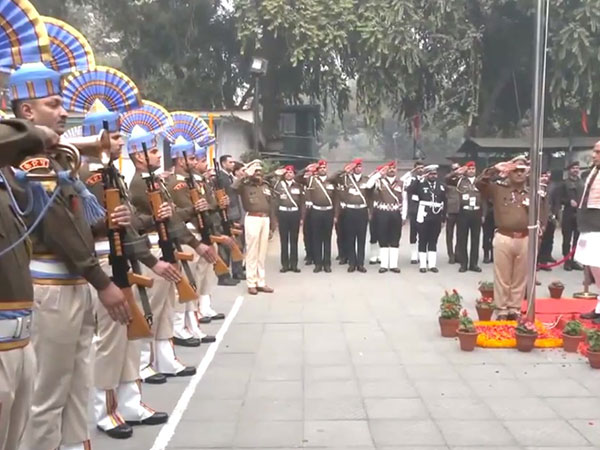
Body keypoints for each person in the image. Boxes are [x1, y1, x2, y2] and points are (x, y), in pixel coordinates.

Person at [10, 62, 131, 450]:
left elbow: (76, 223)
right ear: (27, 112)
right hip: (52, 286)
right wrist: (102, 281)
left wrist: (105, 222)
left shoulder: (59, 159)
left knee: (79, 384)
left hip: (72, 284)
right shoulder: (34, 162)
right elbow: (58, 228)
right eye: (53, 104)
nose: (64, 113)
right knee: (47, 396)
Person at [63, 68, 173, 439]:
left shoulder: (113, 175)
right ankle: (104, 408)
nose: (122, 141)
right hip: (103, 259)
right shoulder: (85, 175)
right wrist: (108, 220)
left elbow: (125, 226)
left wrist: (152, 260)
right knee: (110, 338)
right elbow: (80, 223)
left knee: (130, 333)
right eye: (116, 134)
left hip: (122, 255)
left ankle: (129, 399)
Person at [123, 102, 199, 379]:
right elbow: (143, 219)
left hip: (165, 243)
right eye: (153, 151)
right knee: (151, 308)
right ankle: (143, 363)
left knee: (166, 306)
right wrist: (159, 216)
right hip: (151, 246)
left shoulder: (156, 181)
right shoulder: (139, 184)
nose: (157, 155)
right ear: (138, 155)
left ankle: (165, 359)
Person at [0, 119, 61, 450]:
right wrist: (38, 134)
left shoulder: (7, 180)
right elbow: (16, 137)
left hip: (19, 335)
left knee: (15, 435)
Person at [476, 156, 546, 320]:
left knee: (520, 277)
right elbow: (479, 184)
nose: (519, 174)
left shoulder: (533, 192)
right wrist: (494, 169)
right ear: (509, 172)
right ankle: (502, 309)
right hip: (504, 236)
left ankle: (514, 308)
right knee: (502, 276)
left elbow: (543, 212)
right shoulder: (498, 189)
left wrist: (541, 229)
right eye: (515, 170)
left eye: (522, 171)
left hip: (525, 237)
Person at [232, 160, 275, 294]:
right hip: (252, 218)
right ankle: (251, 283)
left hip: (265, 219)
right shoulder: (245, 186)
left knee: (262, 252)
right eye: (255, 171)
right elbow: (233, 188)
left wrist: (273, 225)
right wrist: (245, 174)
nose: (258, 173)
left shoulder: (266, 186)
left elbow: (271, 206)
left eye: (259, 171)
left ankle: (261, 281)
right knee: (252, 251)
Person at [407, 164, 446, 273]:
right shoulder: (420, 185)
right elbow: (409, 190)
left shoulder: (440, 186)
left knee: (433, 240)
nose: (433, 176)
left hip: (436, 216)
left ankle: (432, 264)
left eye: (435, 174)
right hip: (423, 216)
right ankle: (423, 265)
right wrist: (419, 178)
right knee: (423, 239)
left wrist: (443, 218)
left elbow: (444, 202)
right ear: (427, 175)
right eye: (431, 174)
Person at [577, 142, 600, 324]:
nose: (593, 155)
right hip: (589, 224)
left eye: (598, 152)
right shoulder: (593, 171)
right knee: (594, 268)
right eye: (594, 151)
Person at [365, 162, 403, 273]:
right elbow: (368, 186)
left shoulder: (401, 183)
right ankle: (384, 265)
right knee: (383, 238)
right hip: (382, 212)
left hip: (396, 212)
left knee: (395, 238)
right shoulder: (379, 181)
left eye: (393, 168)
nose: (391, 170)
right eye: (389, 168)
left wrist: (404, 214)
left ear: (396, 170)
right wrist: (379, 174)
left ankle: (393, 265)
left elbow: (404, 199)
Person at [446, 161, 482, 272]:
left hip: (476, 212)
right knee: (462, 239)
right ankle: (463, 263)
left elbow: (484, 198)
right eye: (469, 169)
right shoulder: (460, 180)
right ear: (466, 170)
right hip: (463, 213)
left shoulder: (480, 181)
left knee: (475, 239)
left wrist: (484, 214)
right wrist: (456, 172)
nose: (471, 171)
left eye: (473, 169)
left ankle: (474, 264)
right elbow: (446, 179)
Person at [335, 158, 370, 273]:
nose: (358, 168)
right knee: (350, 238)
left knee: (361, 238)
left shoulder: (366, 180)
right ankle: (352, 262)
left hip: (362, 211)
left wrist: (370, 210)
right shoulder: (345, 179)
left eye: (360, 166)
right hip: (350, 211)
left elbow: (372, 195)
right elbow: (332, 178)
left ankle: (360, 263)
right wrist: (344, 170)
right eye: (356, 167)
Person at [216, 154, 245, 284]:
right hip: (226, 215)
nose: (233, 164)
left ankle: (237, 271)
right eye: (230, 162)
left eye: (233, 162)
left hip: (234, 213)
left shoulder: (229, 177)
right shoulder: (221, 177)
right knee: (226, 246)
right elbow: (229, 192)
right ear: (223, 164)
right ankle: (224, 275)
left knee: (237, 244)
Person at [304, 160, 336, 273]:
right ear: (317, 170)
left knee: (327, 238)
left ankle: (327, 263)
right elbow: (298, 178)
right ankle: (318, 263)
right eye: (320, 168)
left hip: (328, 212)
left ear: (326, 169)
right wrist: (307, 169)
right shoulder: (312, 180)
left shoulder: (332, 181)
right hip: (316, 212)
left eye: (324, 168)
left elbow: (336, 199)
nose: (322, 169)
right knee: (316, 238)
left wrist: (335, 214)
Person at [272, 165, 304, 272]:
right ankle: (285, 265)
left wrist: (302, 217)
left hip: (294, 213)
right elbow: (275, 202)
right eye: (287, 172)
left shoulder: (298, 186)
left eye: (291, 172)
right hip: (283, 213)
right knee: (284, 240)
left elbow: (302, 203)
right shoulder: (278, 185)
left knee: (294, 240)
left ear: (294, 174)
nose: (289, 174)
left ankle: (294, 264)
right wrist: (275, 217)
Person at [560, 161, 585, 271]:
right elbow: (559, 199)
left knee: (577, 239)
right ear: (569, 170)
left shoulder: (582, 183)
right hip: (568, 214)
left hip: (579, 214)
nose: (576, 170)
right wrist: (568, 201)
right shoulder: (564, 183)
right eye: (573, 168)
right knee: (567, 238)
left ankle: (574, 259)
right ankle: (566, 261)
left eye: (577, 168)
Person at [401, 160, 425, 263]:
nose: (420, 170)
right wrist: (411, 172)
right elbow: (402, 181)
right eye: (418, 168)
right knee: (413, 233)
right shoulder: (410, 178)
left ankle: (422, 254)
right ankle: (414, 255)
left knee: (424, 233)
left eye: (422, 168)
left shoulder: (426, 178)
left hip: (424, 209)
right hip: (414, 209)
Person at [538, 170, 560, 270]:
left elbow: (556, 202)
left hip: (550, 217)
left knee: (548, 239)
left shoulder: (553, 187)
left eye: (547, 175)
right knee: (538, 241)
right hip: (537, 218)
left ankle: (544, 260)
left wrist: (555, 214)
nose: (545, 177)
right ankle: (536, 262)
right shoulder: (533, 187)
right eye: (543, 175)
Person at [445, 162, 461, 264]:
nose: (457, 171)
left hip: (461, 211)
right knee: (449, 235)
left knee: (460, 235)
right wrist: (455, 173)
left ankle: (458, 254)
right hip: (450, 211)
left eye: (458, 169)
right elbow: (446, 178)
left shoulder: (463, 181)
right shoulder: (448, 181)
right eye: (454, 169)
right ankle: (450, 255)